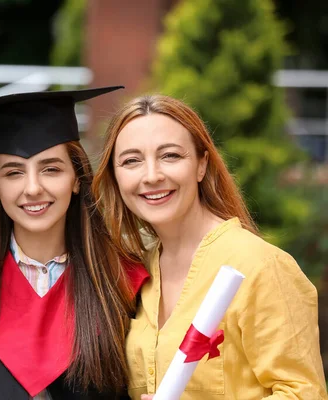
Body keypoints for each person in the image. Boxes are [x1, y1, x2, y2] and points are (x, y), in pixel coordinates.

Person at [92, 94, 328, 400]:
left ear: (201, 165)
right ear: (115, 176)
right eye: (131, 161)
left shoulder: (259, 266)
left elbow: (304, 394)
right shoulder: (137, 272)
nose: (151, 176)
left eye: (170, 156)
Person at [0, 87, 150, 400]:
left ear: (77, 177)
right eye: (14, 172)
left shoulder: (122, 282)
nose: (32, 188)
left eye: (51, 169)